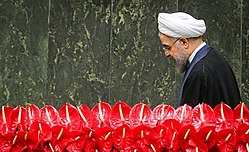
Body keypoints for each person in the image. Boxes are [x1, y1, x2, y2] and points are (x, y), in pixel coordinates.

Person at [157, 12, 241, 109]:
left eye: (168, 47)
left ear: (184, 42)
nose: (167, 54)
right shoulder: (212, 58)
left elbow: (191, 121)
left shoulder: (200, 72)